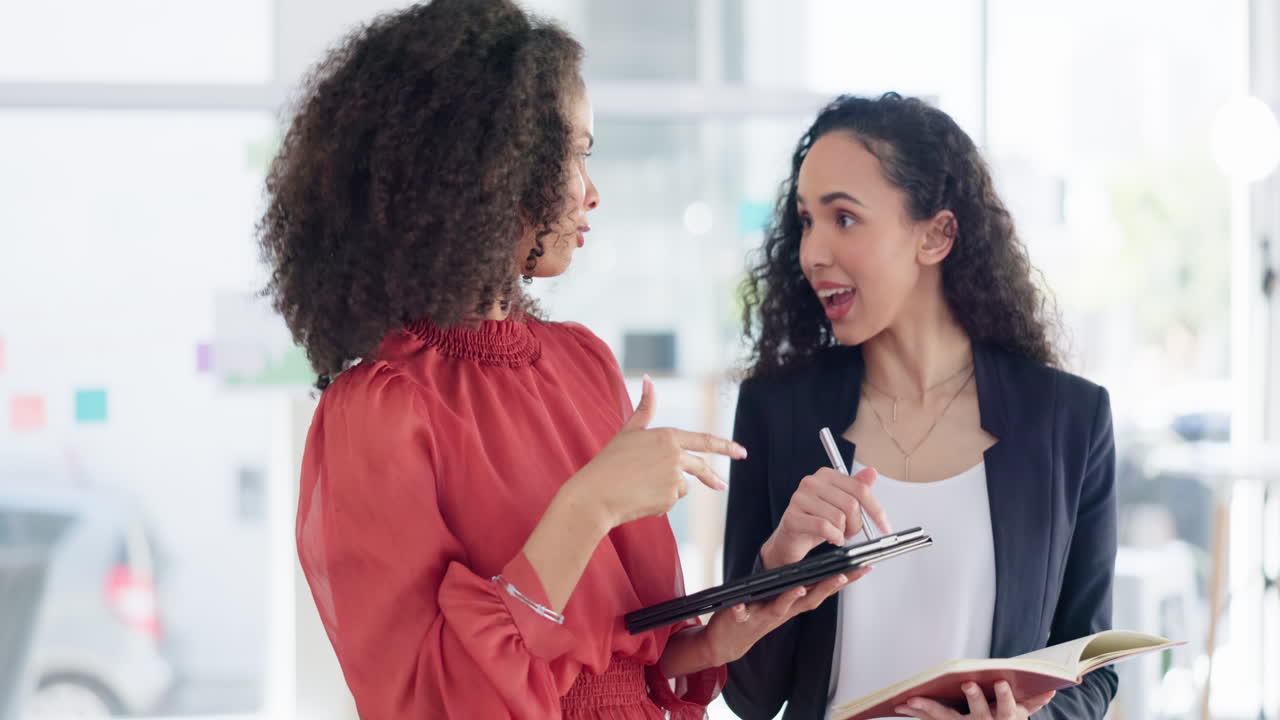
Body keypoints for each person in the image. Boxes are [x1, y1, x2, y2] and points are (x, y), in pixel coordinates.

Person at [257, 2, 862, 718]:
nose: (592, 192)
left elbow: (637, 655)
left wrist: (745, 609)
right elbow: (431, 701)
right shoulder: (380, 410)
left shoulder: (581, 364)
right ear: (486, 170)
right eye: (574, 154)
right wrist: (590, 504)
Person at [723, 93, 1117, 720]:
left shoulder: (1069, 421)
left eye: (843, 218)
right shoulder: (778, 411)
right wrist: (780, 561)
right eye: (805, 222)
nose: (811, 253)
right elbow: (749, 695)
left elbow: (1092, 664)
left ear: (936, 234)